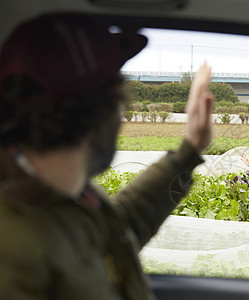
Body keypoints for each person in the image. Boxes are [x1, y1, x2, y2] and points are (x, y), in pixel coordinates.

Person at [0, 13, 214, 299]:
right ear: (97, 113)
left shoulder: (63, 196)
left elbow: (116, 232)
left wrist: (190, 148)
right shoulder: (15, 254)